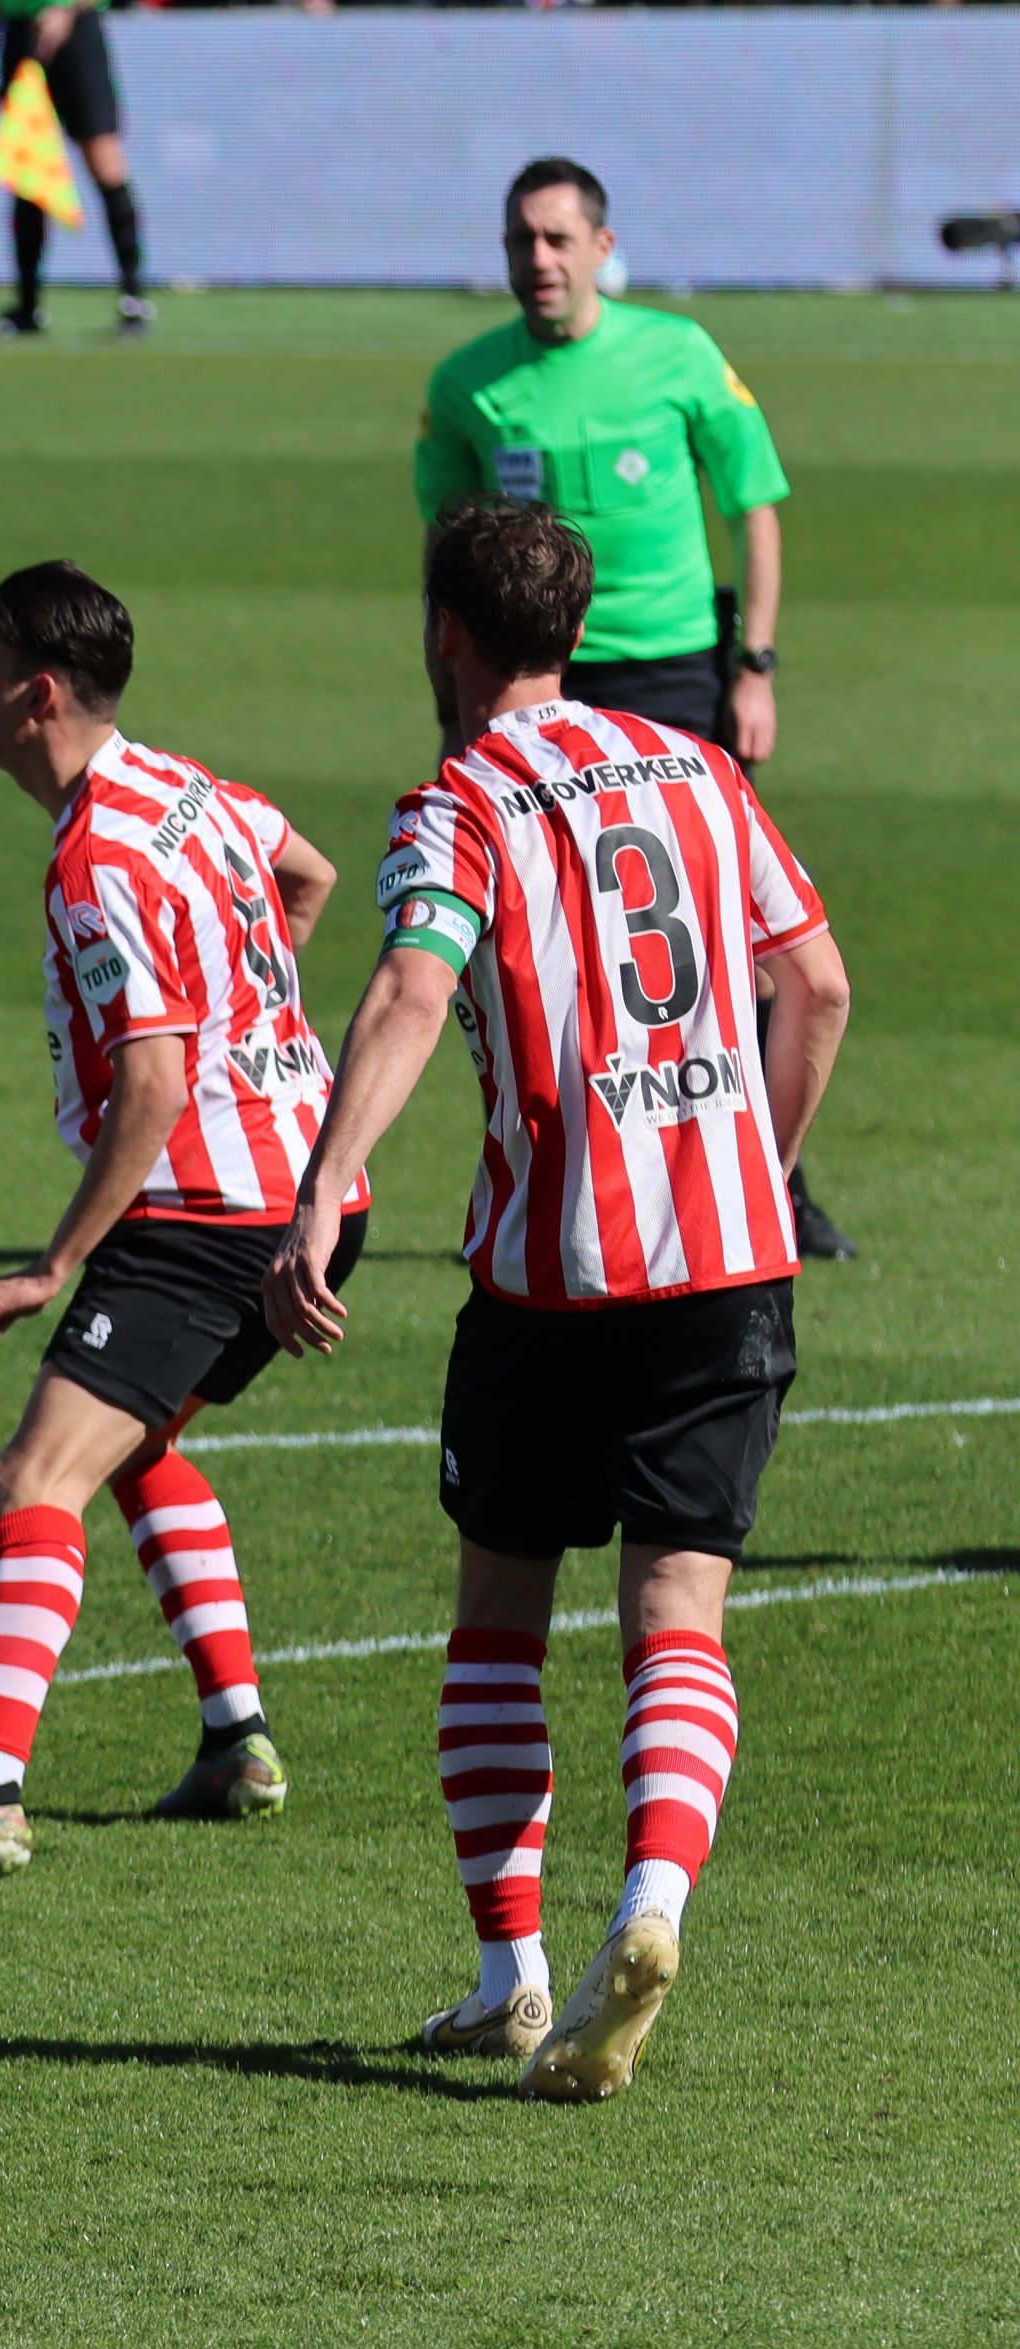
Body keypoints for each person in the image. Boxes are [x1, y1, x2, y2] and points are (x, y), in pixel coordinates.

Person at [268, 500, 848, 2101]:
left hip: (549, 1279)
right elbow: (821, 983)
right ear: (574, 629)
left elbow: (411, 982)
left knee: (498, 1618)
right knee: (680, 1619)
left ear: (446, 631)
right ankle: (650, 1903)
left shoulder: (455, 805)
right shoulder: (705, 774)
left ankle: (510, 1969)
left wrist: (326, 1180)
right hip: (730, 1264)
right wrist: (758, 1158)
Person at [0, 562, 360, 1888]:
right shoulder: (181, 786)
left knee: (30, 1479)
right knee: (138, 1439)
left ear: (36, 692)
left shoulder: (96, 857)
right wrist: (256, 1018)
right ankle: (237, 1738)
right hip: (311, 1185)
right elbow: (308, 869)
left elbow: (160, 1082)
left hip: (208, 1212)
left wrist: (52, 1263)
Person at [416, 157, 847, 1256]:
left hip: (669, 669)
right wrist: (451, 715)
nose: (539, 261)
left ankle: (775, 1185)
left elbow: (755, 504)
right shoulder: (471, 383)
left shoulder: (681, 354)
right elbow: (448, 565)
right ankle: (569, 1166)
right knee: (546, 927)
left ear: (604, 247)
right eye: (523, 241)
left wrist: (754, 664)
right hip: (530, 681)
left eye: (560, 240)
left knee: (721, 930)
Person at [0, 0, 151, 341]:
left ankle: (133, 297)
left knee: (105, 163)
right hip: (18, 34)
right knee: (27, 173)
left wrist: (67, 10)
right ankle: (28, 306)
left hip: (75, 33)